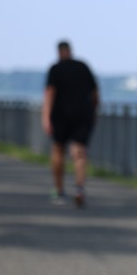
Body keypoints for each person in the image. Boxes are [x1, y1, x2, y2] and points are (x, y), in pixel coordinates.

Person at [42, 41, 99, 207]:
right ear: (70, 51)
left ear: (59, 52)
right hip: (83, 115)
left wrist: (46, 117)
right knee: (79, 151)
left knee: (58, 150)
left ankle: (59, 190)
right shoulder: (83, 67)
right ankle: (79, 188)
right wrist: (94, 111)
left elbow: (50, 93)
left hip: (60, 116)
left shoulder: (55, 69)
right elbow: (95, 93)